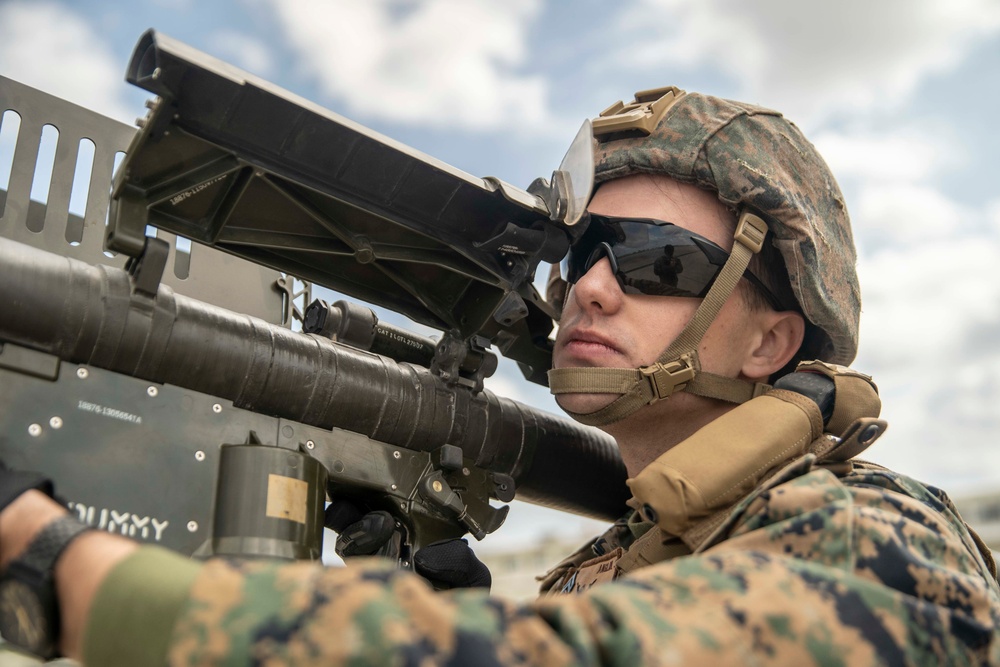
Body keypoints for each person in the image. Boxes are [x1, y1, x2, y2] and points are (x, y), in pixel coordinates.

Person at [2, 86, 999, 666]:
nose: (593, 289)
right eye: (584, 253)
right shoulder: (611, 562)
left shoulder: (885, 545)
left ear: (771, 343)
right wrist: (441, 586)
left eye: (653, 260)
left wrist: (65, 568)